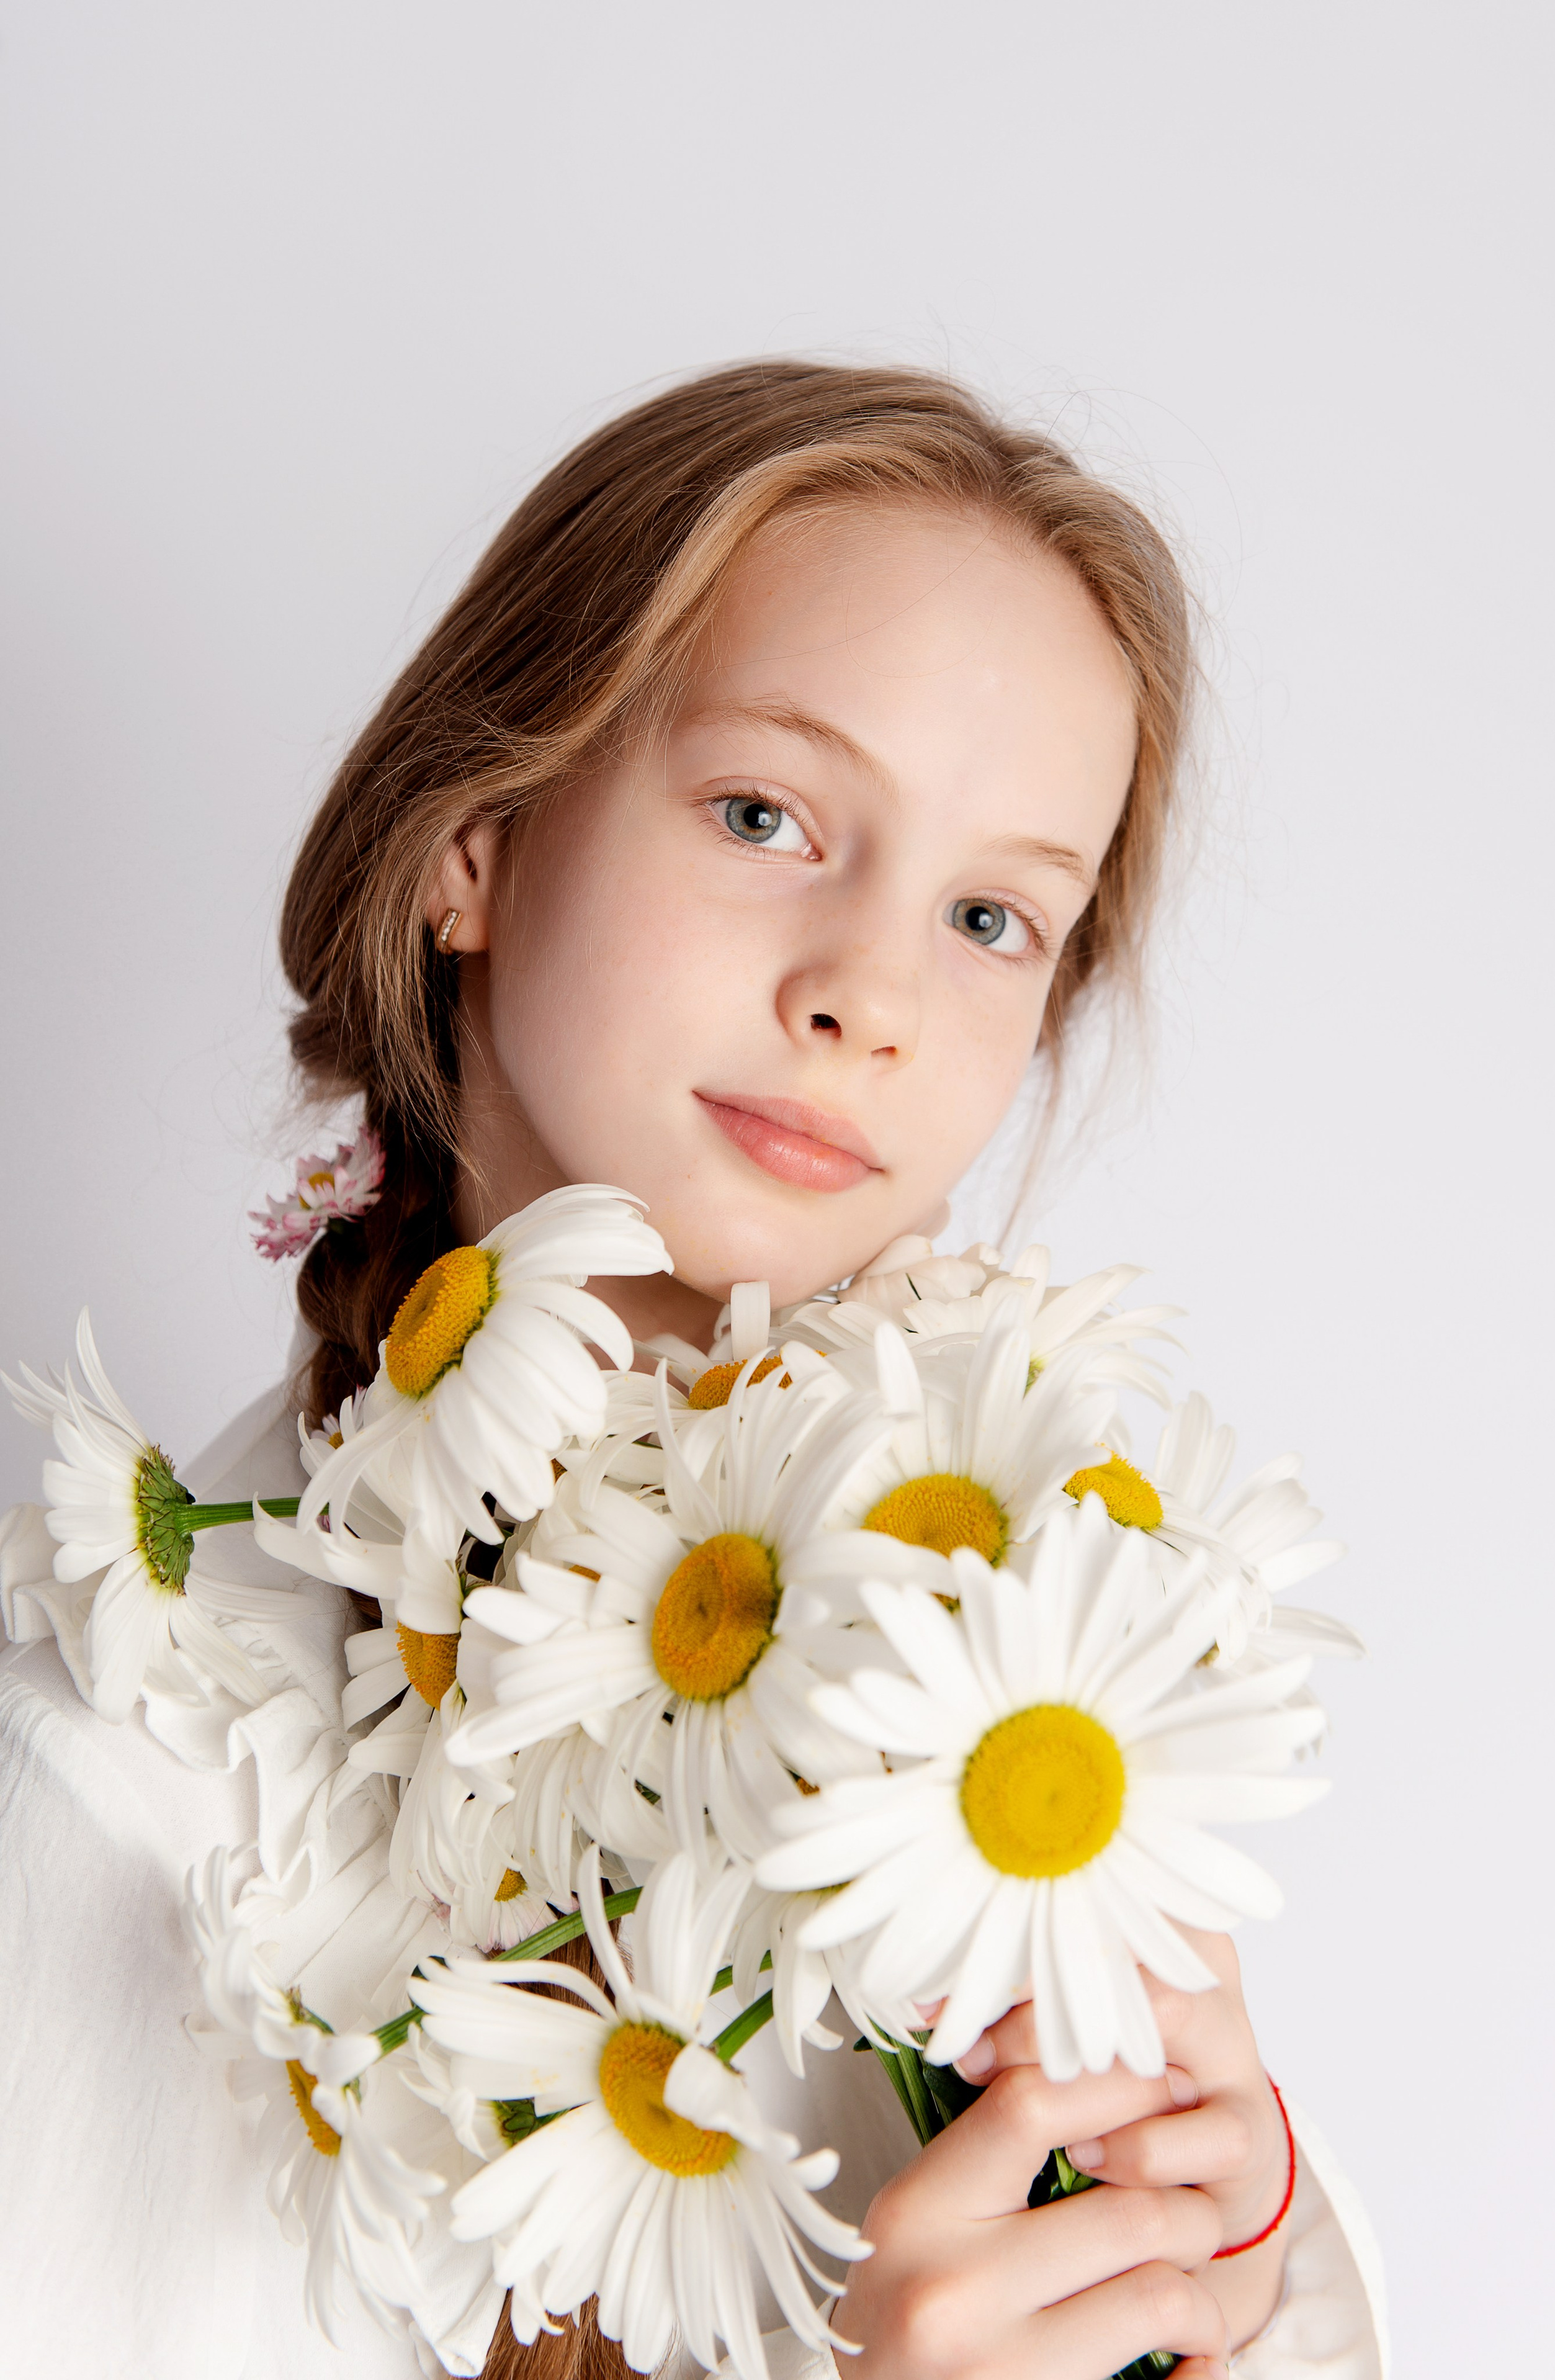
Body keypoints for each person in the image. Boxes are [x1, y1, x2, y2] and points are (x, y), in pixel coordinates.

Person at [0, 362, 1387, 2380]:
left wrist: (1218, 2283)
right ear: (474, 835)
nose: (872, 993)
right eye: (765, 815)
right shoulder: (92, 1785)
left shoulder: (1011, 1748)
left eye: (994, 915)